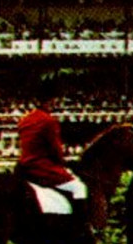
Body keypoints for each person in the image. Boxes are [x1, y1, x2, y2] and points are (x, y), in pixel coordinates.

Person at [15, 80, 88, 216]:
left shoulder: (25, 119)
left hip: (23, 167)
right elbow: (55, 150)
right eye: (55, 101)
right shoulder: (49, 121)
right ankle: (81, 226)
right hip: (42, 168)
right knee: (79, 188)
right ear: (51, 100)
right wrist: (63, 164)